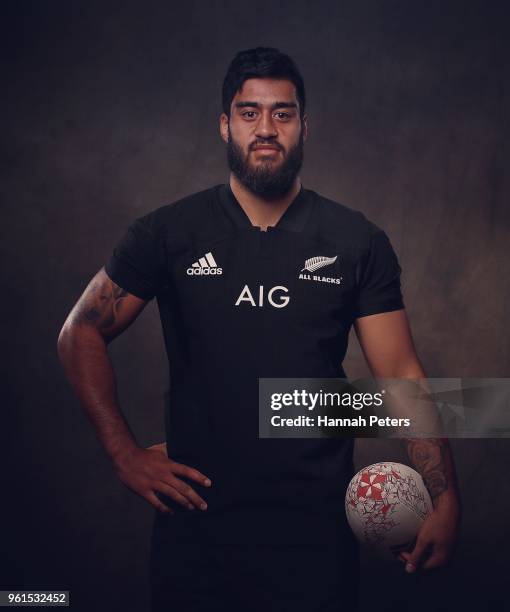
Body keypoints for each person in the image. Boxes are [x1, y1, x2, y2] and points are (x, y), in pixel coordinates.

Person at [57, 47, 461, 611]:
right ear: (225, 124)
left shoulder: (356, 240)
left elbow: (399, 374)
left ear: (303, 125)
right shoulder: (167, 232)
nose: (266, 129)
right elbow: (79, 333)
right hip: (196, 534)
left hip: (314, 536)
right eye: (249, 113)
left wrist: (443, 500)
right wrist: (124, 453)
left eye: (282, 113)